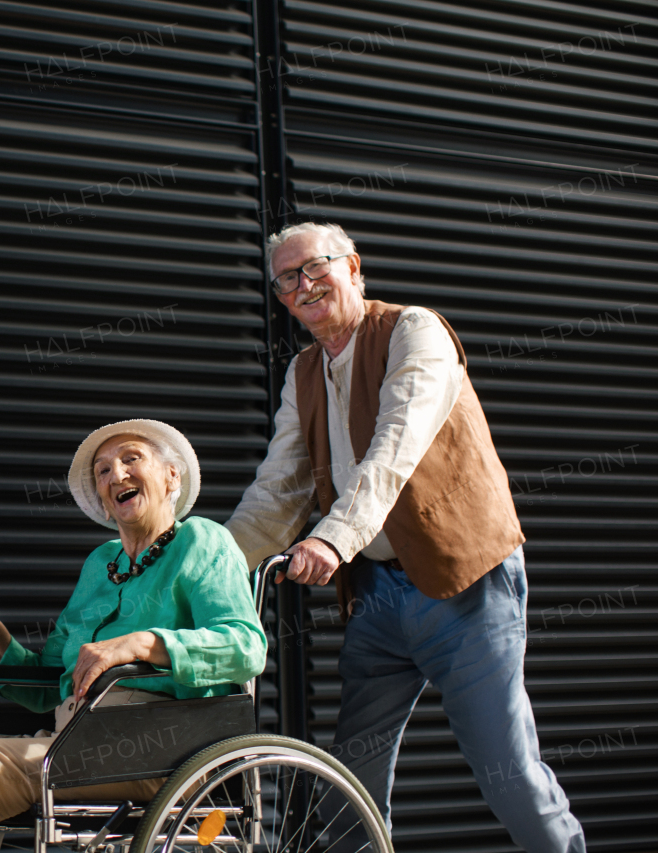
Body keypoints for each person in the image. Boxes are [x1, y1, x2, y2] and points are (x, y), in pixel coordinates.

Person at [227, 222, 585, 851]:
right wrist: (210, 565)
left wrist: (334, 540)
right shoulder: (303, 373)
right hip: (379, 597)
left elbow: (394, 450)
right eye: (287, 279)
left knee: (508, 774)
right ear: (281, 298)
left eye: (315, 267)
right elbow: (278, 490)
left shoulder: (414, 331)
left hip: (463, 582)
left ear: (354, 267)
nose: (303, 286)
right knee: (350, 785)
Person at [0, 419, 266, 853]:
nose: (116, 474)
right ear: (102, 497)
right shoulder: (101, 564)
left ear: (172, 476)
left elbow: (247, 648)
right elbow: (45, 684)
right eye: (103, 470)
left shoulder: (204, 541)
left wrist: (140, 643)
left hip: (155, 747)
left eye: (131, 459)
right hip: (70, 740)